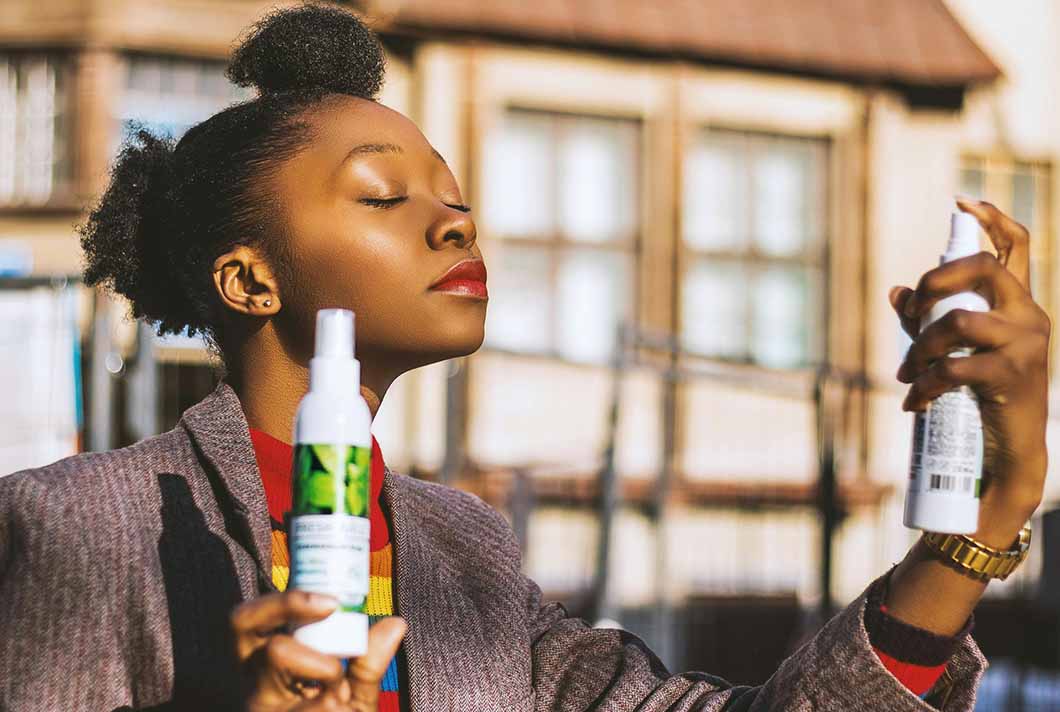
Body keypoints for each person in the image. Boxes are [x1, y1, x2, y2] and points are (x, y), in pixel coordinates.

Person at [0, 4, 1049, 711]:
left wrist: (991, 507)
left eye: (455, 199)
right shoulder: (75, 526)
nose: (455, 226)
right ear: (249, 282)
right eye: (381, 196)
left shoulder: (465, 552)